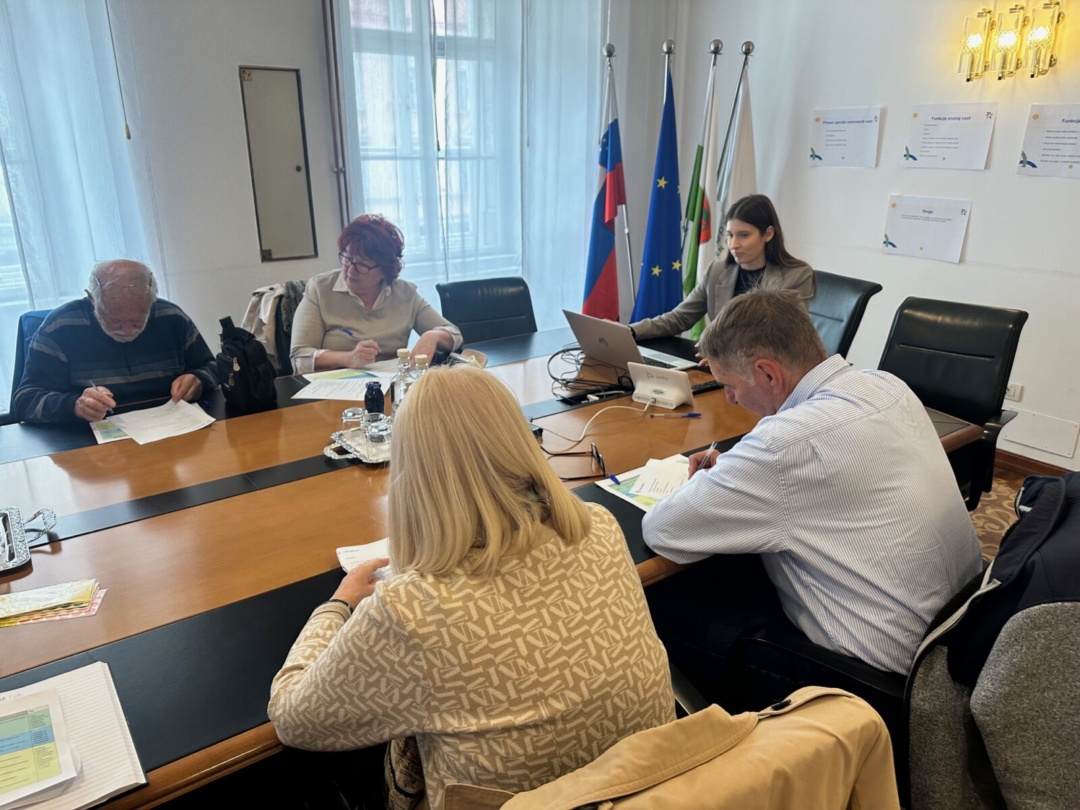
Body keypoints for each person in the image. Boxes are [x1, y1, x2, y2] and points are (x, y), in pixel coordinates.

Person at [268, 365, 674, 809]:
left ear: (411, 473)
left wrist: (338, 604)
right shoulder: (598, 526)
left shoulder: (413, 608)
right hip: (652, 790)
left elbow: (293, 718)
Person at [641, 289, 982, 700]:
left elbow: (662, 529)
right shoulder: (887, 386)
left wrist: (715, 481)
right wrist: (741, 472)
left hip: (873, 681)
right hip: (957, 636)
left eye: (729, 385)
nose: (730, 398)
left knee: (659, 599)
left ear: (768, 374)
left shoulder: (784, 445)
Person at [12, 260, 217, 424]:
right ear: (92, 299)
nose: (128, 331)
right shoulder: (60, 327)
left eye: (138, 319)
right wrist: (74, 406)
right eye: (115, 320)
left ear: (151, 301)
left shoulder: (171, 317)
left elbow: (213, 368)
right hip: (92, 443)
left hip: (170, 430)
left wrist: (198, 380)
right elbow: (25, 401)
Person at [290, 214, 462, 373]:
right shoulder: (320, 289)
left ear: (385, 270)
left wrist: (433, 336)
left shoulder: (405, 294)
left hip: (391, 386)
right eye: (348, 258)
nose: (351, 270)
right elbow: (299, 358)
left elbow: (454, 334)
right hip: (334, 388)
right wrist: (348, 358)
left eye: (363, 264)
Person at [630, 194, 816, 341]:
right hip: (720, 365)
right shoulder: (716, 271)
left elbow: (780, 336)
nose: (733, 245)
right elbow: (679, 318)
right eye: (729, 235)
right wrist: (630, 331)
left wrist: (719, 351)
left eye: (743, 235)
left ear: (768, 234)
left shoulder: (797, 276)